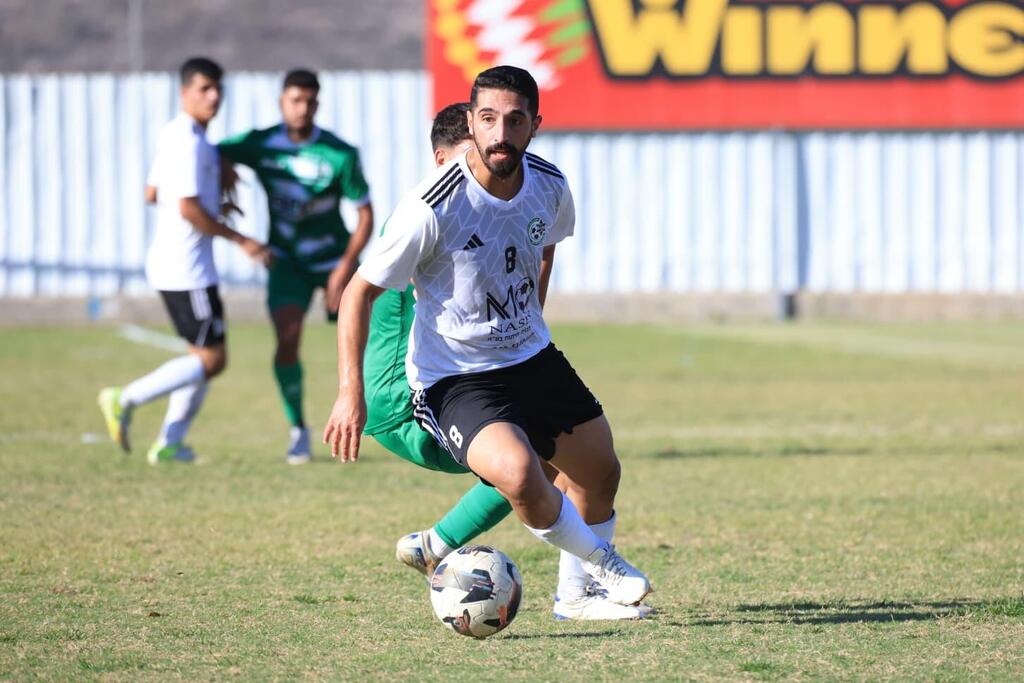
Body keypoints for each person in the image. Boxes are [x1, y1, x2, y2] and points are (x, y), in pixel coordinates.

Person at [324, 66, 652, 609]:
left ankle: (576, 597)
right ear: (471, 122)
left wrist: (530, 323)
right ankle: (602, 564)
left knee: (600, 469)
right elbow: (358, 294)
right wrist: (349, 391)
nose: (501, 133)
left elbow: (546, 245)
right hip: (454, 376)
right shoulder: (431, 205)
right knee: (522, 474)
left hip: (531, 357)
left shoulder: (549, 184)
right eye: (488, 118)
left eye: (515, 119)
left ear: (534, 125)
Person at [98, 56, 271, 465]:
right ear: (184, 93)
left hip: (179, 264)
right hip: (186, 269)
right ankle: (124, 398)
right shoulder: (188, 142)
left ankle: (170, 443)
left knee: (201, 357)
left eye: (217, 89)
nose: (213, 97)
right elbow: (187, 208)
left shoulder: (185, 137)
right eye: (203, 89)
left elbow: (152, 192)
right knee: (213, 359)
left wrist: (215, 184)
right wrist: (241, 238)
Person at [218, 69, 374, 464]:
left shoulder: (340, 154)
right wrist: (224, 174)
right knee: (287, 338)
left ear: (317, 104)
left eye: (309, 101)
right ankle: (297, 429)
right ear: (281, 102)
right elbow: (212, 151)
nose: (302, 108)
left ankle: (380, 416)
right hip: (286, 262)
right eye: (294, 100)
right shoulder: (262, 144)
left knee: (369, 338)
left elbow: (365, 215)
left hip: (332, 261)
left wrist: (344, 269)